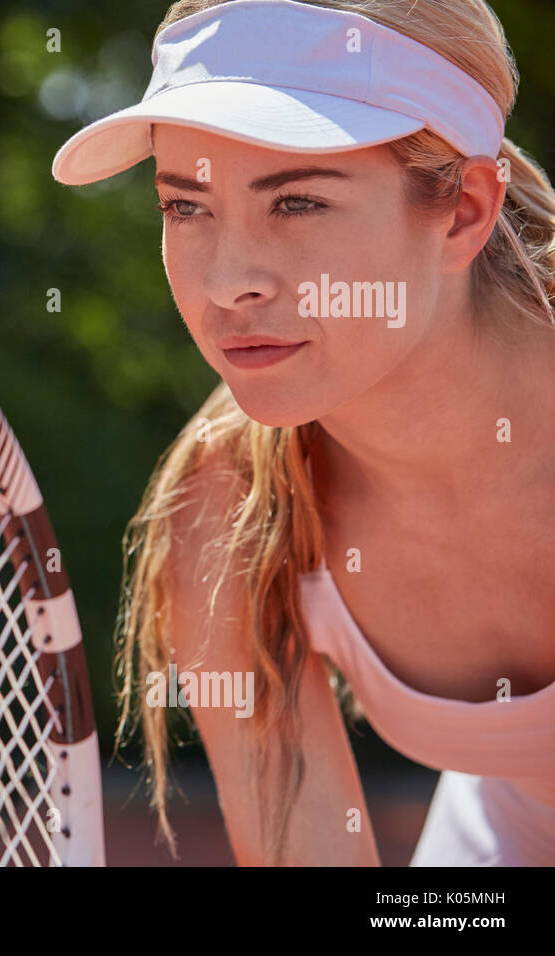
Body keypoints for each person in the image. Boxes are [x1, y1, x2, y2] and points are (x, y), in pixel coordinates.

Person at [52, 0, 555, 865]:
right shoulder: (222, 509)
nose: (228, 282)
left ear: (465, 210)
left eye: (297, 202)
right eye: (186, 207)